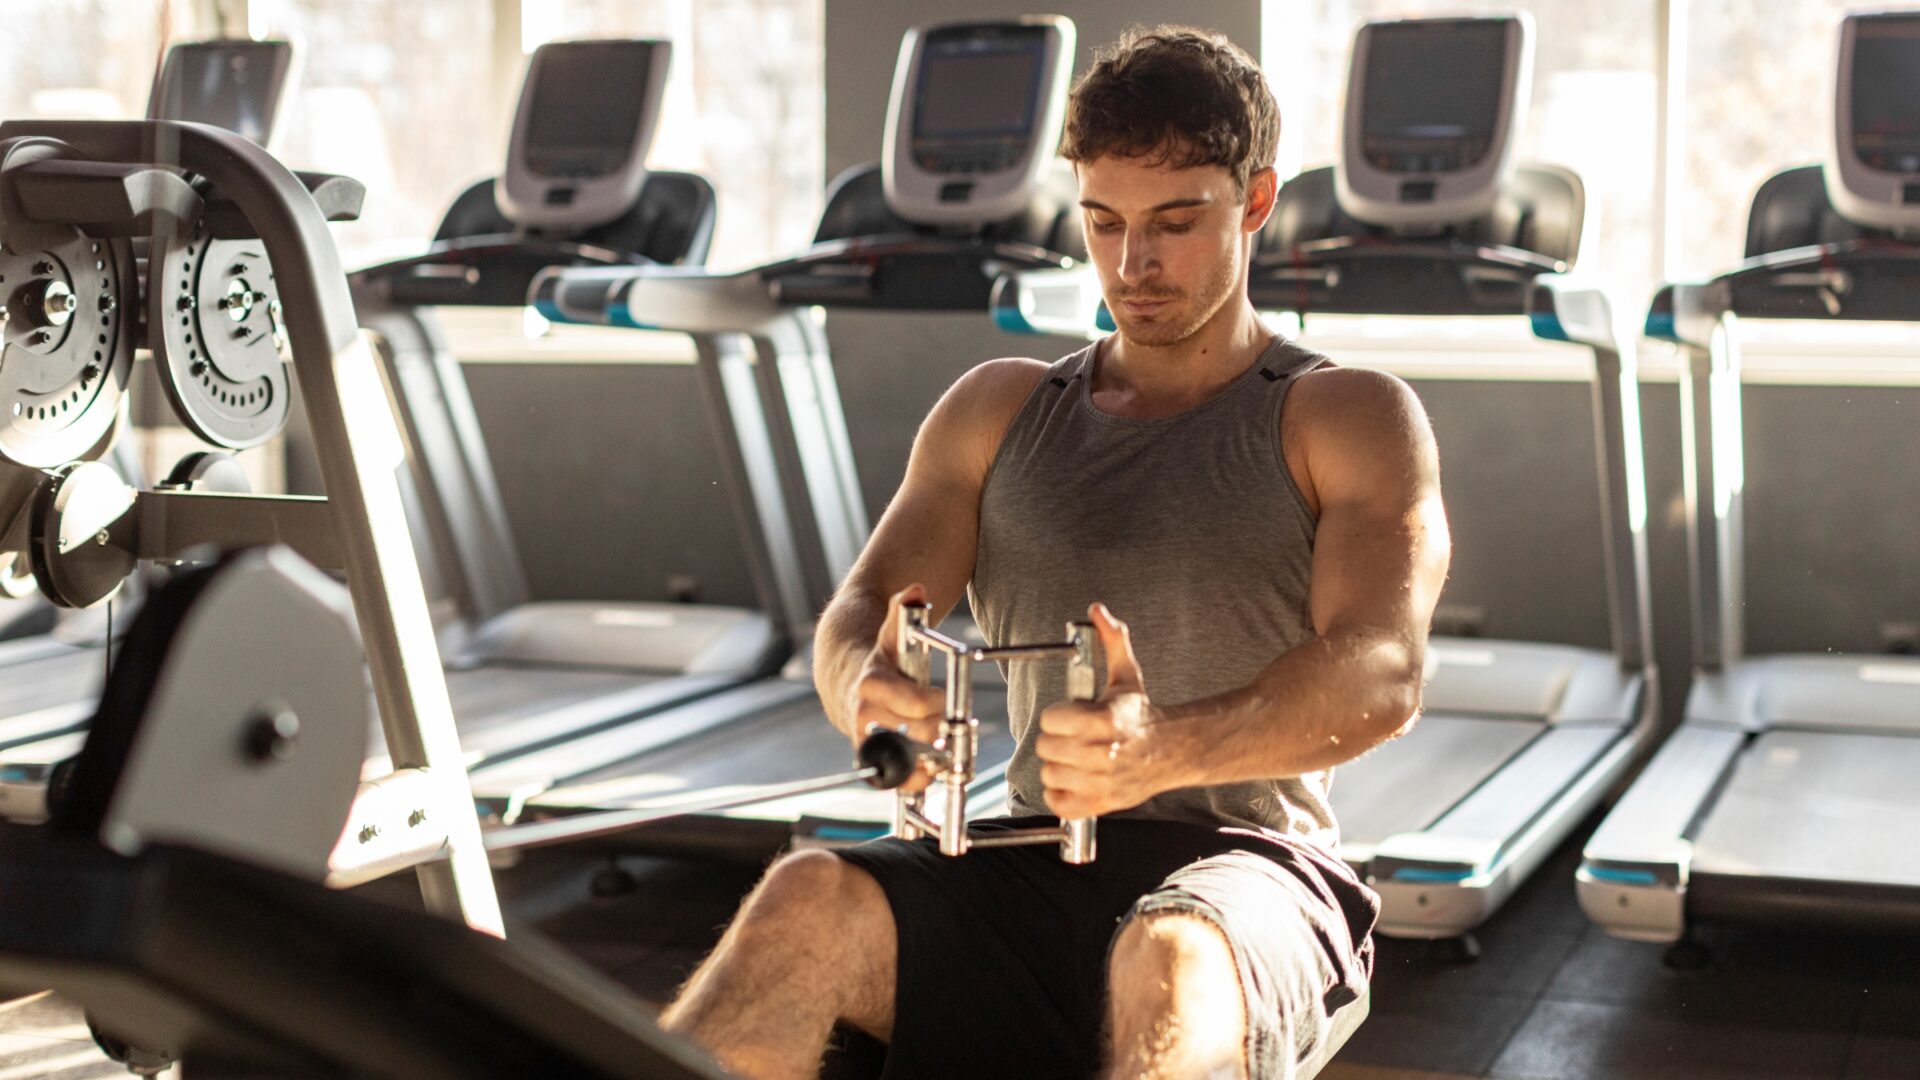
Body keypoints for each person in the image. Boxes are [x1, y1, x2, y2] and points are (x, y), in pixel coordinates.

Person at [659, 24, 1450, 1080]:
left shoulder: (1342, 414)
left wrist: (1165, 746)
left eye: (1176, 223)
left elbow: (1382, 674)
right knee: (805, 895)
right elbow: (855, 618)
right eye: (1105, 223)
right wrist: (868, 688)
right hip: (1030, 853)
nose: (1134, 264)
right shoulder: (998, 409)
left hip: (1255, 868)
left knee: (1167, 958)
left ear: (1255, 203)